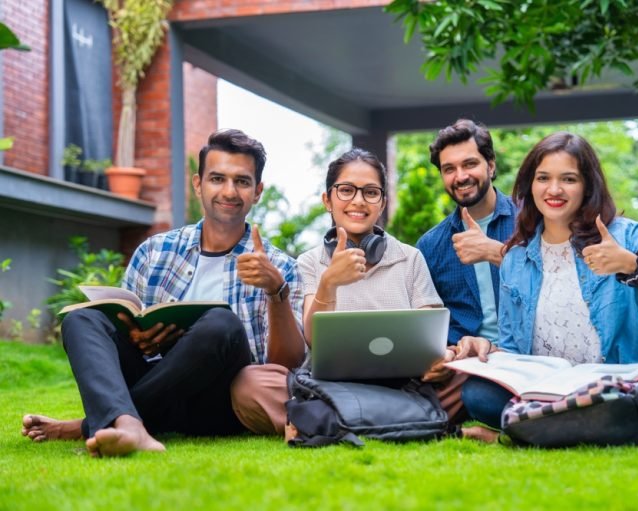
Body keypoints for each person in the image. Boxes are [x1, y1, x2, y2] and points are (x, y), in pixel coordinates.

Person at [21, 129, 305, 456]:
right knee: (82, 318)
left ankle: (95, 423)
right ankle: (129, 426)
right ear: (198, 184)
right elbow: (127, 325)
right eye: (217, 179)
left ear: (257, 192)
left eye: (241, 181)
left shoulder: (280, 267)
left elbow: (286, 367)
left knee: (221, 324)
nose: (229, 191)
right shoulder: (154, 251)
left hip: (221, 403)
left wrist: (275, 291)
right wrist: (142, 337)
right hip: (160, 381)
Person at [460, 132, 638, 443]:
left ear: (588, 186)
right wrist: (486, 351)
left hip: (620, 388)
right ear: (529, 185)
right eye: (543, 178)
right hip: (546, 391)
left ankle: (531, 431)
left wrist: (633, 265)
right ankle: (603, 427)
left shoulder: (624, 236)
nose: (554, 189)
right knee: (476, 394)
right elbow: (513, 352)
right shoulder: (516, 258)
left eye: (569, 179)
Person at [231, 148, 466, 436]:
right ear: (327, 200)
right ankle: (412, 423)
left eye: (370, 192)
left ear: (382, 203)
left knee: (467, 375)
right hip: (328, 388)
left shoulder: (410, 258)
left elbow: (431, 337)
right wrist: (329, 283)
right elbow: (313, 339)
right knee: (250, 383)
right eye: (346, 190)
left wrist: (440, 359)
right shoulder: (309, 262)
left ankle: (321, 424)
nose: (358, 200)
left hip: (403, 384)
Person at [416, 119, 517, 357]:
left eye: (469, 164)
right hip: (463, 360)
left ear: (491, 166)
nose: (460, 177)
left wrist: (497, 253)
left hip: (524, 354)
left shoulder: (531, 222)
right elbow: (426, 326)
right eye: (449, 169)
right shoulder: (430, 246)